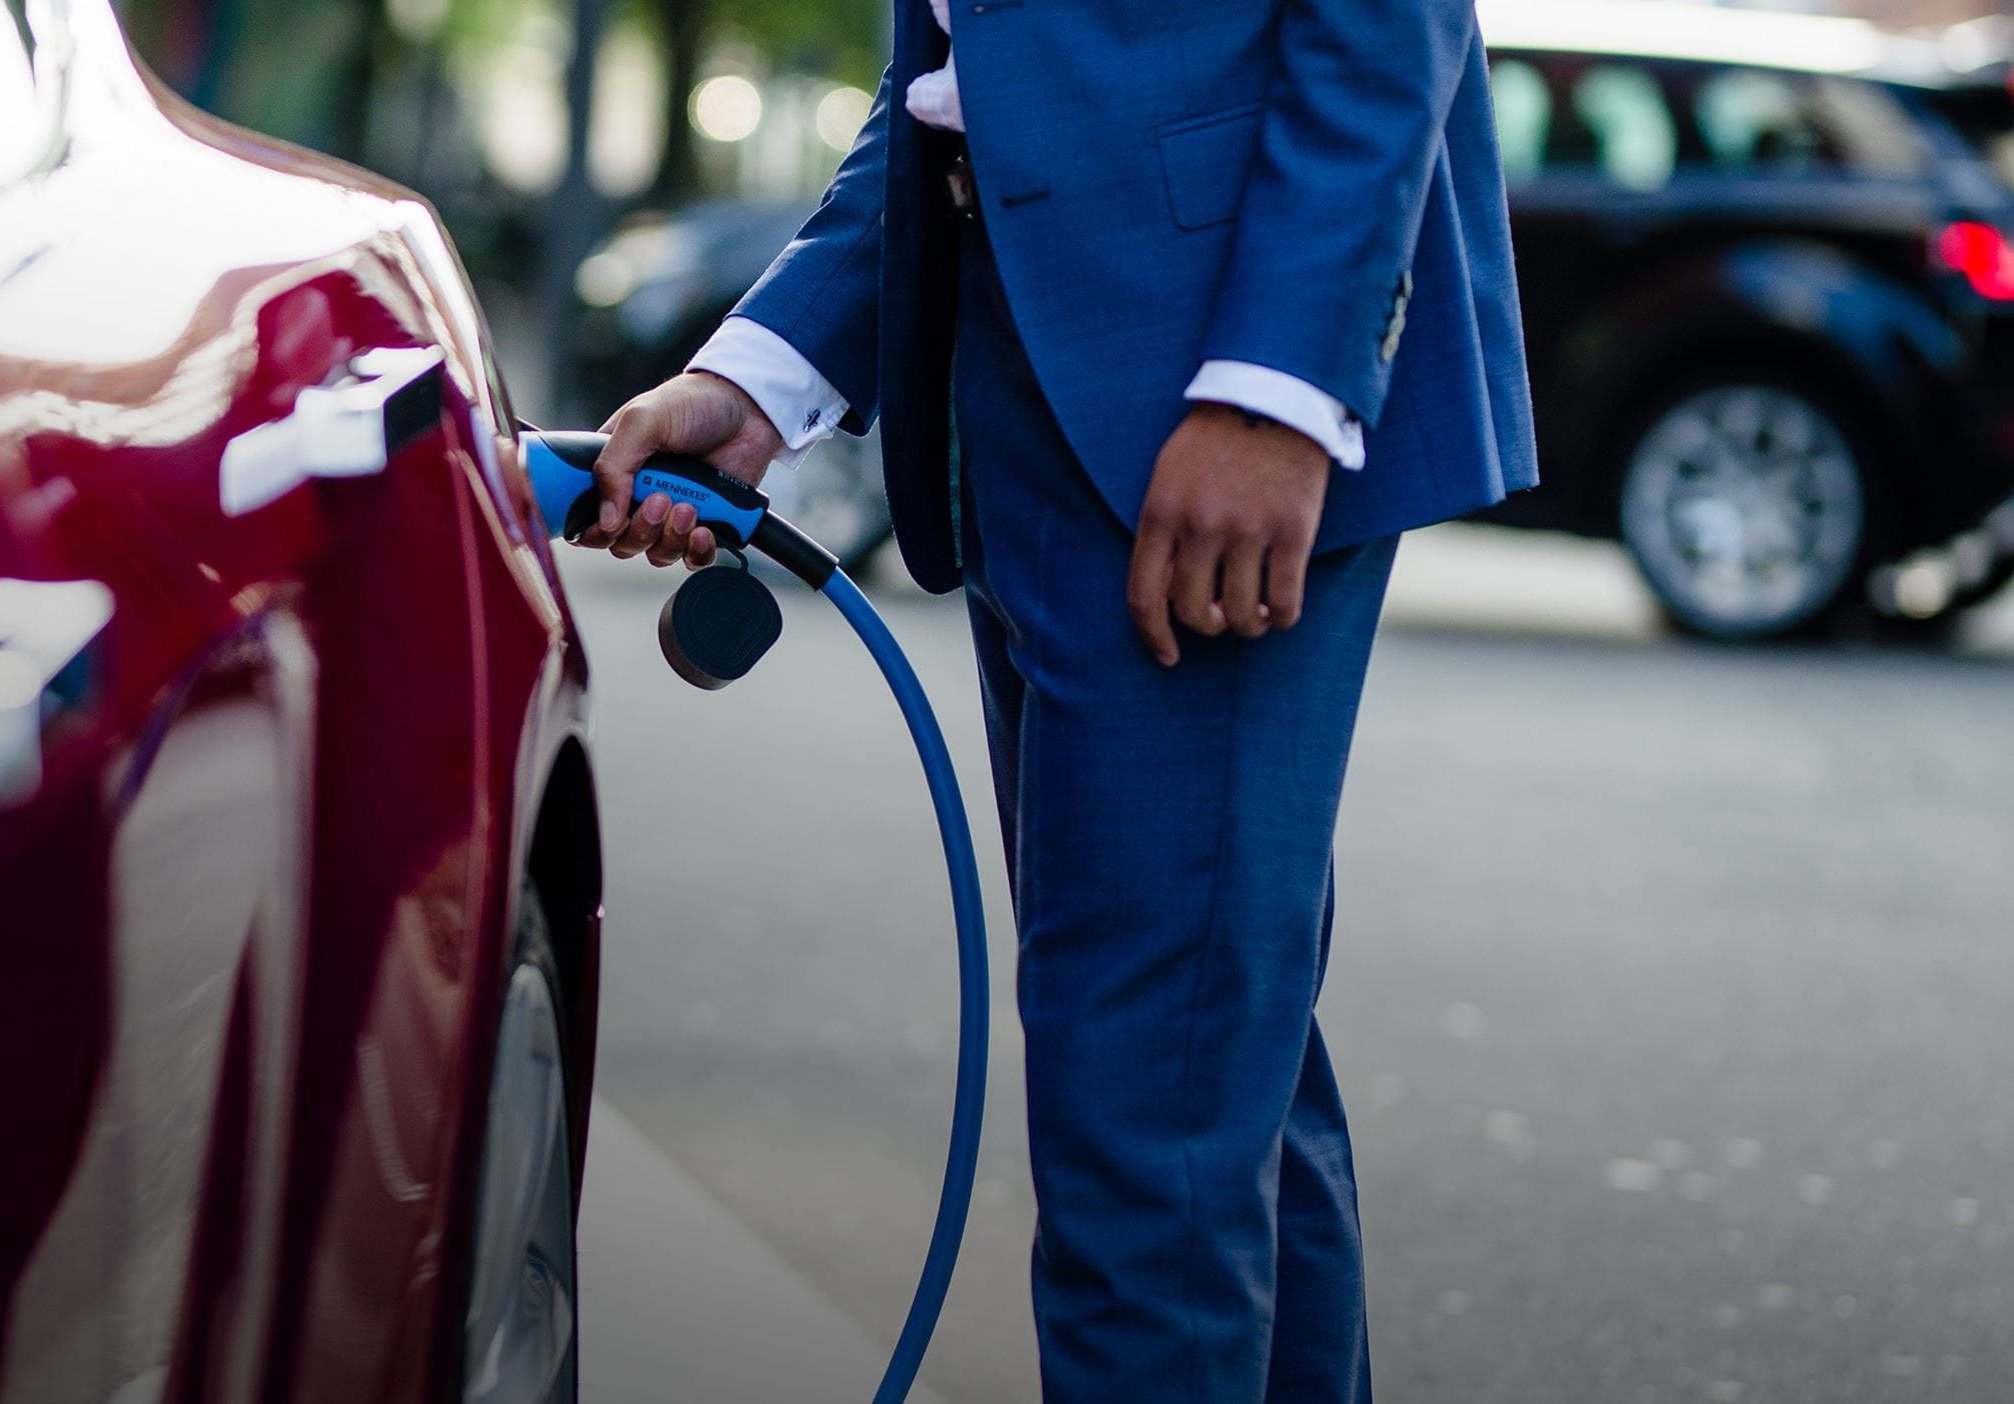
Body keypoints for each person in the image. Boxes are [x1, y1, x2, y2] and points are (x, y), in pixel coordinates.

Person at [582, 0, 1534, 1398]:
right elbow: (970, 79)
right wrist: (764, 377)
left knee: (1151, 1123)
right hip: (1022, 366)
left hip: (1202, 382)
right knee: (1207, 1077)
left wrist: (1277, 386)